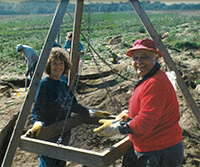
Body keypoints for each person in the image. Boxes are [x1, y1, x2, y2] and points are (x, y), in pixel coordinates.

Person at [93, 38, 184, 167]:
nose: (139, 61)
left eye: (144, 57)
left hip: (160, 150)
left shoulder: (155, 83)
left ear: (156, 58)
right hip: (152, 147)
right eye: (135, 58)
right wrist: (129, 113)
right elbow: (149, 107)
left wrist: (116, 128)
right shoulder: (149, 78)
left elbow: (144, 124)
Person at [25, 47, 111, 167]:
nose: (58, 67)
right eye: (55, 64)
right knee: (48, 163)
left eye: (61, 64)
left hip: (64, 131)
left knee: (61, 162)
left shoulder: (63, 84)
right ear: (49, 65)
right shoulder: (45, 84)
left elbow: (73, 106)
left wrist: (92, 112)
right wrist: (37, 123)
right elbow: (37, 109)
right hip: (49, 133)